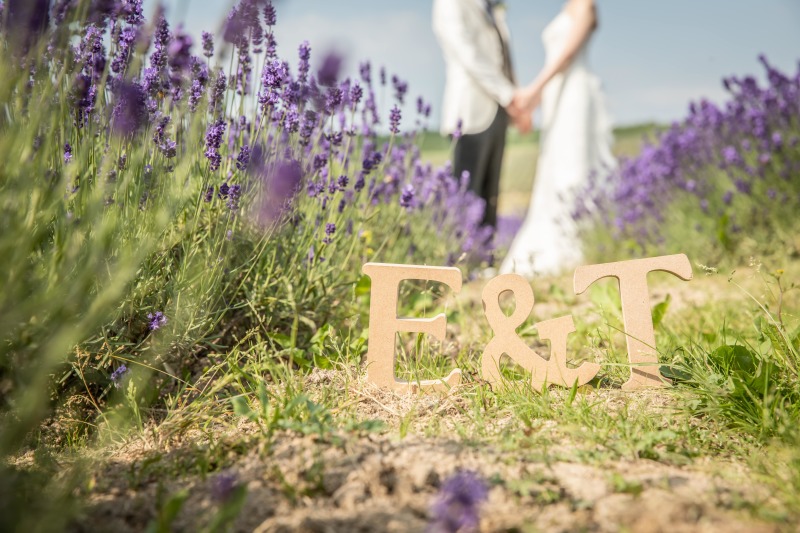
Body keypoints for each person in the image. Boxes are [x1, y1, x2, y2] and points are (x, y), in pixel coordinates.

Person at [501, 0, 616, 276]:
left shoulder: (586, 5)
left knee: (572, 164)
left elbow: (566, 56)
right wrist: (535, 100)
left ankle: (576, 245)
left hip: (574, 92)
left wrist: (532, 91)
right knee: (554, 165)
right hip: (557, 94)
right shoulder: (568, 7)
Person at [432, 0, 530, 229]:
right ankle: (460, 257)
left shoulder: (490, 5)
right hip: (470, 112)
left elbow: (504, 56)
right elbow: (468, 54)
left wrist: (515, 102)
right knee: (467, 193)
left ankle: (486, 257)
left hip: (498, 110)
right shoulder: (450, 3)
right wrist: (510, 96)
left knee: (491, 193)